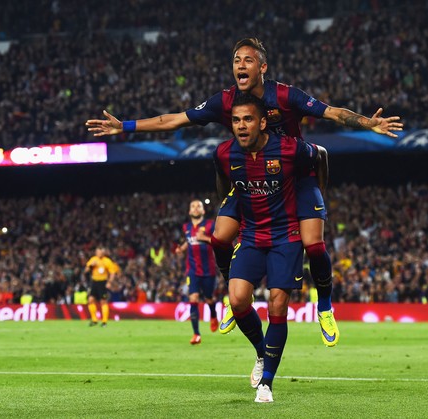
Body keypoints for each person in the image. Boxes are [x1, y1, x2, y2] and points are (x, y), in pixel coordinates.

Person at [85, 38, 403, 346]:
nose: (240, 65)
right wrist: (125, 126)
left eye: (247, 59)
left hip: (294, 179)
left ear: (262, 67)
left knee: (314, 246)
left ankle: (324, 306)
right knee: (220, 237)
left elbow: (332, 112)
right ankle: (234, 292)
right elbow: (175, 120)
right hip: (251, 177)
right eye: (236, 60)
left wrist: (367, 123)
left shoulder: (285, 95)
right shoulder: (224, 102)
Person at [213, 93, 318, 402]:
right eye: (235, 120)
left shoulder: (289, 149)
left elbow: (317, 160)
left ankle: (267, 383)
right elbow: (223, 184)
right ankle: (261, 353)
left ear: (262, 122)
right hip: (251, 237)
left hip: (286, 237)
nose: (241, 126)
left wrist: (314, 206)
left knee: (276, 306)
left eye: (247, 119)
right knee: (237, 300)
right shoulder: (223, 153)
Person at [175, 199, 219, 344]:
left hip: (208, 270)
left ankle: (213, 314)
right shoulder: (186, 227)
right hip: (192, 270)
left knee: (209, 298)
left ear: (203, 211)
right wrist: (181, 249)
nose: (195, 208)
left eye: (198, 206)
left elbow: (219, 241)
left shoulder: (210, 225)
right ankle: (196, 334)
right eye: (192, 206)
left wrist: (205, 238)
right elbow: (189, 241)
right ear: (189, 211)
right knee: (193, 298)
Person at [84, 246, 118, 327]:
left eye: (100, 252)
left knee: (103, 301)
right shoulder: (93, 259)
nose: (99, 254)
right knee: (90, 300)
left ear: (103, 253)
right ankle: (94, 320)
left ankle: (104, 322)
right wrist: (91, 266)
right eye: (98, 252)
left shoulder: (107, 261)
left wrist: (109, 282)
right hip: (94, 282)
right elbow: (86, 270)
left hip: (102, 282)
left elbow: (112, 273)